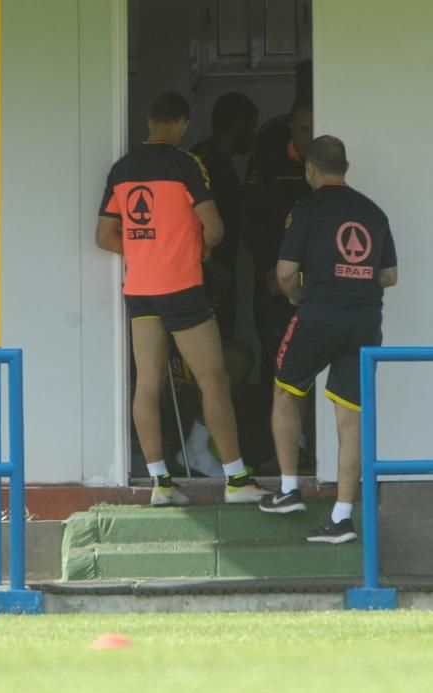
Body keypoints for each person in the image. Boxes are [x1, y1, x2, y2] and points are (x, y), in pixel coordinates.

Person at [95, 91, 269, 506]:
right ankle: (237, 479)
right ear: (185, 124)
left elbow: (104, 236)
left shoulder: (121, 169)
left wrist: (144, 250)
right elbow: (215, 227)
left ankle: (160, 484)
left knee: (148, 384)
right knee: (214, 380)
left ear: (150, 120)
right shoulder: (187, 164)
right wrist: (197, 250)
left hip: (140, 292)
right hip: (182, 287)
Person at [258, 136, 398, 543]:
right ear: (346, 167)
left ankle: (288, 490)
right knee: (349, 416)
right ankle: (342, 517)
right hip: (365, 321)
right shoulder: (373, 212)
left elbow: (285, 273)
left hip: (318, 314)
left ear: (311, 171)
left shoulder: (306, 208)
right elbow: (389, 276)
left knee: (285, 391)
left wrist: (299, 297)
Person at [174, 92, 258, 478]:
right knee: (213, 368)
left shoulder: (209, 157)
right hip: (203, 279)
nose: (253, 135)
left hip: (211, 276)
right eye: (250, 127)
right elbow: (198, 222)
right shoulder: (205, 161)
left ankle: (200, 445)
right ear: (238, 124)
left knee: (218, 365)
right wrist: (209, 265)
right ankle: (197, 447)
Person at [242, 97, 314, 468]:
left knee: (319, 358)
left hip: (317, 283)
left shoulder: (326, 167)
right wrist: (269, 268)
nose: (308, 136)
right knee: (279, 360)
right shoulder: (270, 160)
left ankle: (315, 447)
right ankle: (284, 450)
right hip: (273, 281)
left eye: (314, 128)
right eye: (303, 129)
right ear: (290, 128)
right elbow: (250, 218)